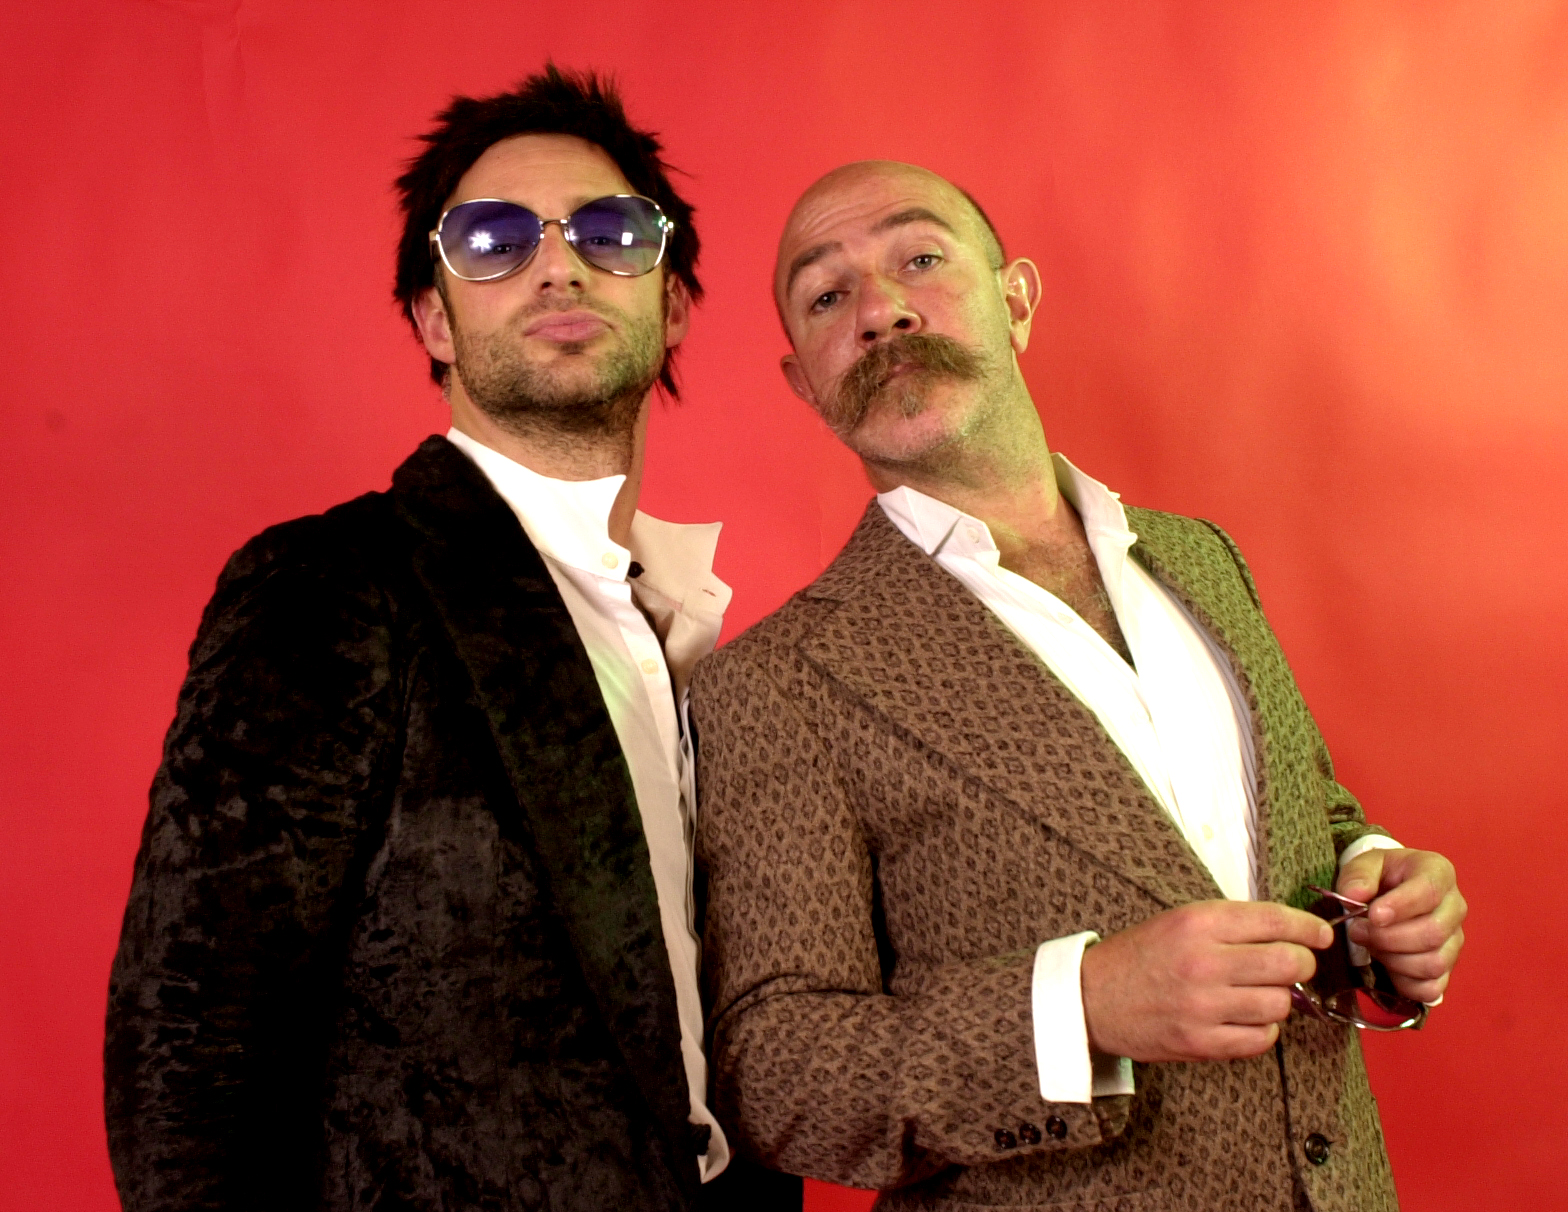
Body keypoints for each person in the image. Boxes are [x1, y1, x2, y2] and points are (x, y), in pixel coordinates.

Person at [691, 160, 1467, 1212]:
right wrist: (1082, 1008)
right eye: (827, 296)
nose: (880, 310)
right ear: (804, 383)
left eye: (920, 258)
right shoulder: (775, 684)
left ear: (1016, 301)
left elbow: (1305, 814)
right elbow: (783, 1076)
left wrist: (1379, 886)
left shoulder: (1202, 561)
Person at [104, 66, 799, 1212]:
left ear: (672, 301)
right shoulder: (328, 586)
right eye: (491, 240)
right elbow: (187, 1052)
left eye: (609, 231)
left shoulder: (698, 645)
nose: (557, 264)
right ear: (434, 317)